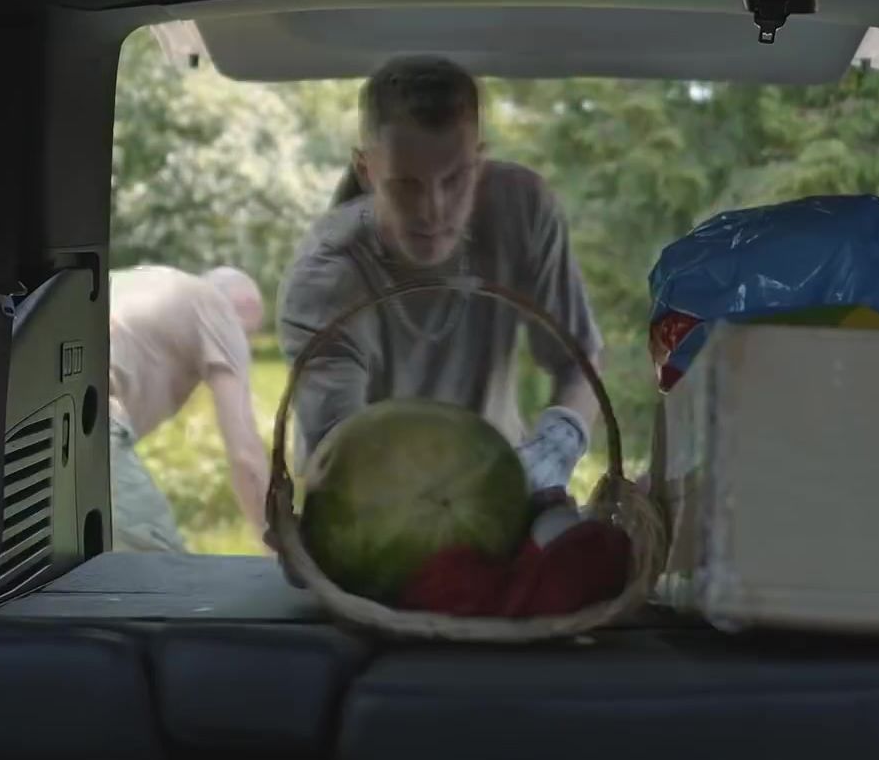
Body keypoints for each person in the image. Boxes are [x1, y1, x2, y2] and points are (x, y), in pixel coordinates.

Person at [277, 54, 603, 498]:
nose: (433, 210)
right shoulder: (326, 280)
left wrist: (556, 444)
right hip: (373, 502)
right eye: (406, 185)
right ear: (366, 170)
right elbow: (341, 467)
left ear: (479, 163)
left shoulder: (523, 211)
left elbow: (579, 361)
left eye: (454, 180)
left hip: (499, 485)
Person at [107, 264, 269, 552]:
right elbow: (246, 457)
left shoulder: (147, 283)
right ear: (244, 306)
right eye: (247, 337)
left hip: (29, 410)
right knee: (163, 570)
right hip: (88, 427)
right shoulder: (218, 309)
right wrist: (280, 550)